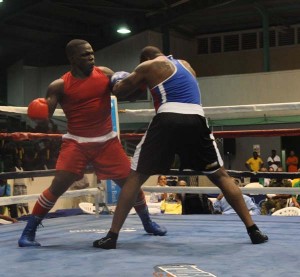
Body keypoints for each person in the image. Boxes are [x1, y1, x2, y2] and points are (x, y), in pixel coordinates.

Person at [93, 46, 268, 249]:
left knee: (136, 177)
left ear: (145, 58)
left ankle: (112, 236)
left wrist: (115, 77)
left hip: (168, 117)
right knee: (221, 176)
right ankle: (253, 230)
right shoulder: (186, 65)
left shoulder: (148, 65)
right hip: (196, 119)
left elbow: (119, 90)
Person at [18, 39, 166, 247]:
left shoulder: (105, 73)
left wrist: (133, 85)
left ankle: (148, 223)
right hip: (77, 143)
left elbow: (125, 92)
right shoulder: (59, 85)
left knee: (130, 185)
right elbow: (45, 114)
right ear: (72, 58)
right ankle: (28, 232)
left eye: (91, 53)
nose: (91, 57)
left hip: (106, 142)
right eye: (85, 54)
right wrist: (38, 111)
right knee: (57, 187)